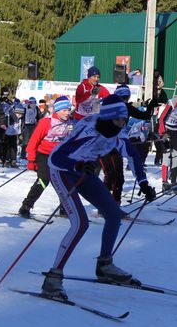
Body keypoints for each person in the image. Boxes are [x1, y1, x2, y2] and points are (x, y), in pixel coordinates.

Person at [40, 95, 156, 300]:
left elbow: (133, 155)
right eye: (120, 119)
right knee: (80, 223)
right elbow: (56, 157)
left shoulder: (118, 134)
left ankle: (105, 265)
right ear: (110, 117)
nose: (123, 123)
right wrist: (76, 166)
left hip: (84, 172)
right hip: (62, 170)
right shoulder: (88, 131)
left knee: (113, 214)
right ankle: (53, 278)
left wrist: (144, 183)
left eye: (125, 119)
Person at [19, 97, 74, 218]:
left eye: (69, 110)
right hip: (43, 154)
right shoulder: (46, 122)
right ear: (57, 110)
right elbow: (33, 141)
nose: (67, 113)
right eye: (64, 110)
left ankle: (65, 207)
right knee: (44, 179)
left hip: (59, 156)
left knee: (64, 181)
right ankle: (26, 205)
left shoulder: (70, 122)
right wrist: (31, 160)